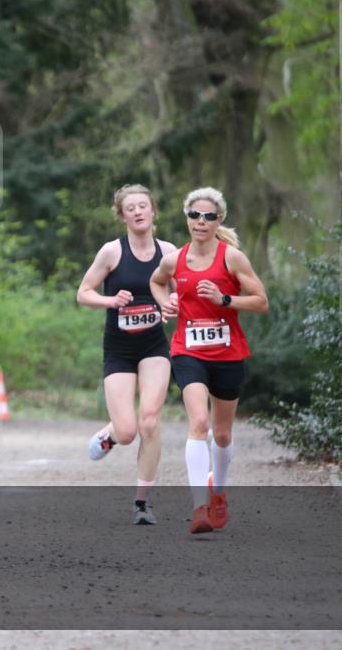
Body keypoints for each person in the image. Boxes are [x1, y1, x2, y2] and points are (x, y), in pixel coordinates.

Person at [149, 187, 269, 534]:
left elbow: (261, 301)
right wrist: (164, 302)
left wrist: (224, 298)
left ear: (220, 221)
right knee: (198, 421)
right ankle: (199, 506)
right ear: (187, 218)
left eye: (209, 216)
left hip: (228, 354)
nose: (200, 222)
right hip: (187, 350)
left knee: (222, 432)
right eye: (194, 215)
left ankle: (218, 492)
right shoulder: (174, 260)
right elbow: (156, 282)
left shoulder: (232, 258)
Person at [77, 184, 177, 525]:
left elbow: (181, 294)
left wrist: (172, 306)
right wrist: (110, 301)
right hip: (118, 349)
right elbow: (83, 293)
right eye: (130, 207)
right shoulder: (111, 252)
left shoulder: (169, 252)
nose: (137, 211)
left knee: (150, 420)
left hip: (154, 346)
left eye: (143, 206)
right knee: (128, 431)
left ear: (153, 211)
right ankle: (110, 435)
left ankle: (142, 502)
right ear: (122, 215)